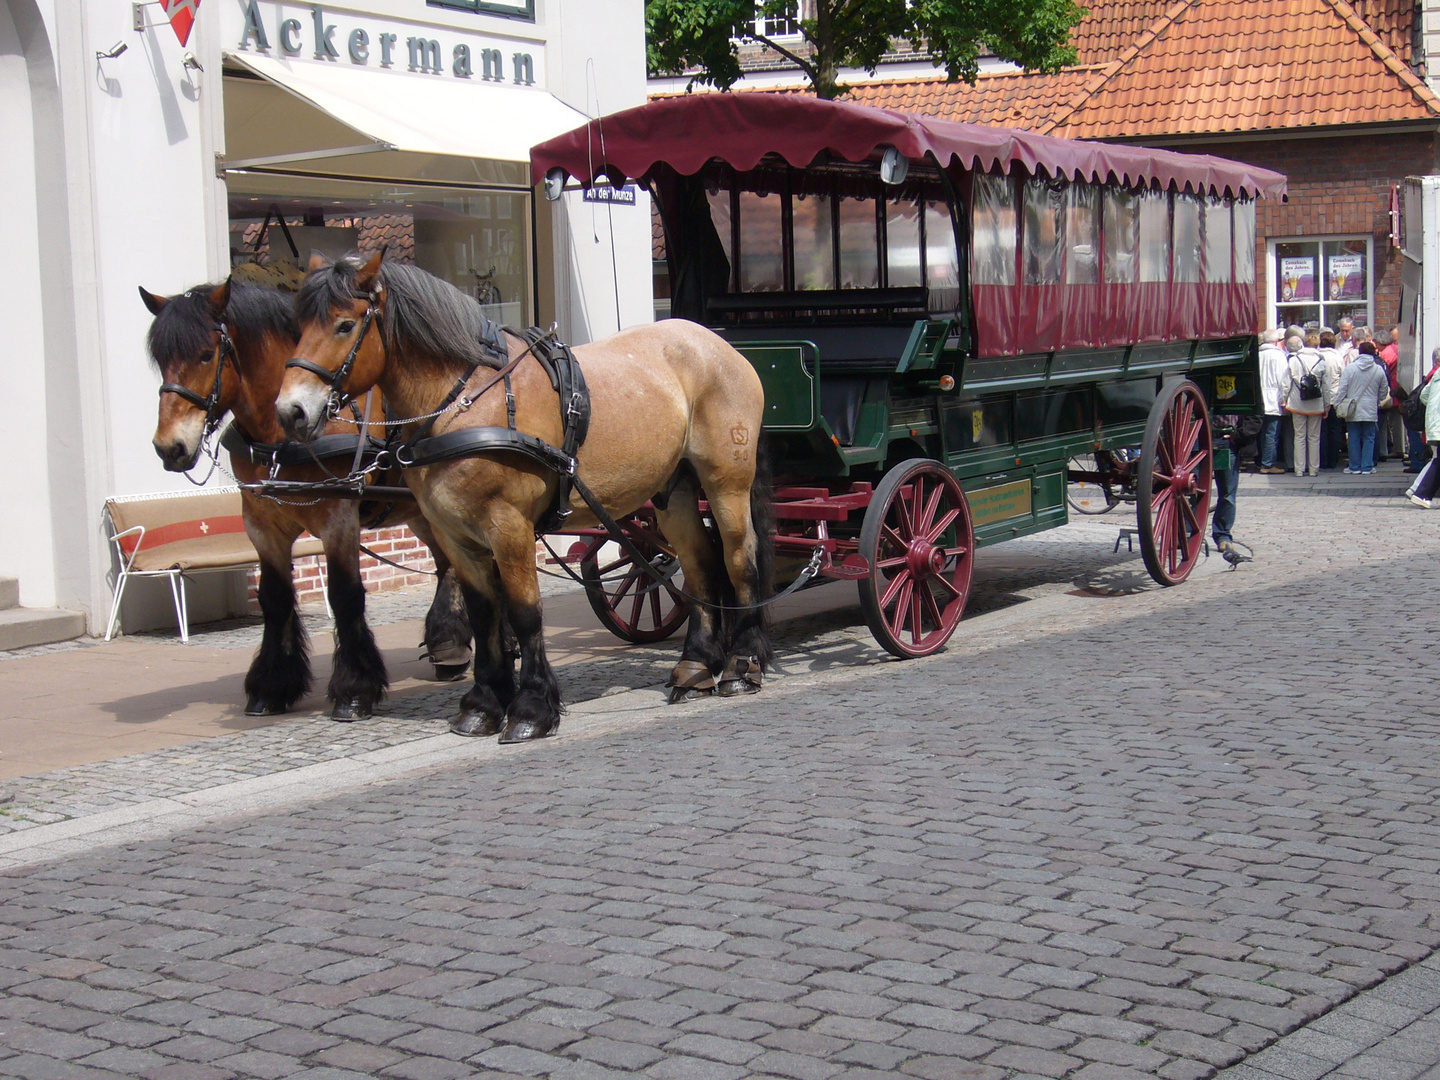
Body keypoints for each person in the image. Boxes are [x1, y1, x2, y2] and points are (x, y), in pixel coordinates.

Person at [1335, 340, 1389, 473]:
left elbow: (1342, 388)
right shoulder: (1378, 369)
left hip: (1353, 407)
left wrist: (1338, 403)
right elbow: (1384, 390)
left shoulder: (1350, 368)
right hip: (1370, 408)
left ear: (1359, 353)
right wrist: (1378, 400)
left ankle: (1354, 466)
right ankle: (1367, 466)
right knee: (1369, 437)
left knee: (1353, 437)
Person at [1284, 332, 1327, 476]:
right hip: (1315, 403)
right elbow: (1325, 386)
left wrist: (1284, 399)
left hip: (1297, 401)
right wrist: (1326, 404)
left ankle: (1299, 469)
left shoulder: (1294, 360)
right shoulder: (1321, 362)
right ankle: (1314, 469)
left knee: (1299, 436)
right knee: (1314, 437)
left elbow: (1286, 383)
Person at [1406, 346, 1440, 506]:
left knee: (1438, 460)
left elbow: (1425, 395)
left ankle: (1420, 492)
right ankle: (1421, 493)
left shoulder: (1437, 374)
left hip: (1434, 423)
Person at [1211, 412, 1247, 563]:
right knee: (1191, 490)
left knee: (1227, 493)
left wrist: (1238, 435)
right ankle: (1187, 533)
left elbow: (1255, 415)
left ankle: (1223, 534)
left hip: (1225, 438)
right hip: (1196, 438)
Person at [1258, 328, 1288, 473]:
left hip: (1259, 398)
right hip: (1273, 399)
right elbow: (1283, 380)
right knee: (1272, 433)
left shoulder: (1257, 355)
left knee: (1262, 432)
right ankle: (1268, 464)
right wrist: (1284, 399)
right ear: (1276, 341)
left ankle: (1262, 461)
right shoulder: (1278, 356)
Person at [1317, 329, 1346, 469]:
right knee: (1335, 430)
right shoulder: (1338, 356)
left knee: (1321, 430)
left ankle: (1322, 460)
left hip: (1319, 397)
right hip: (1335, 396)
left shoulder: (1317, 356)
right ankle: (1333, 460)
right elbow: (1343, 375)